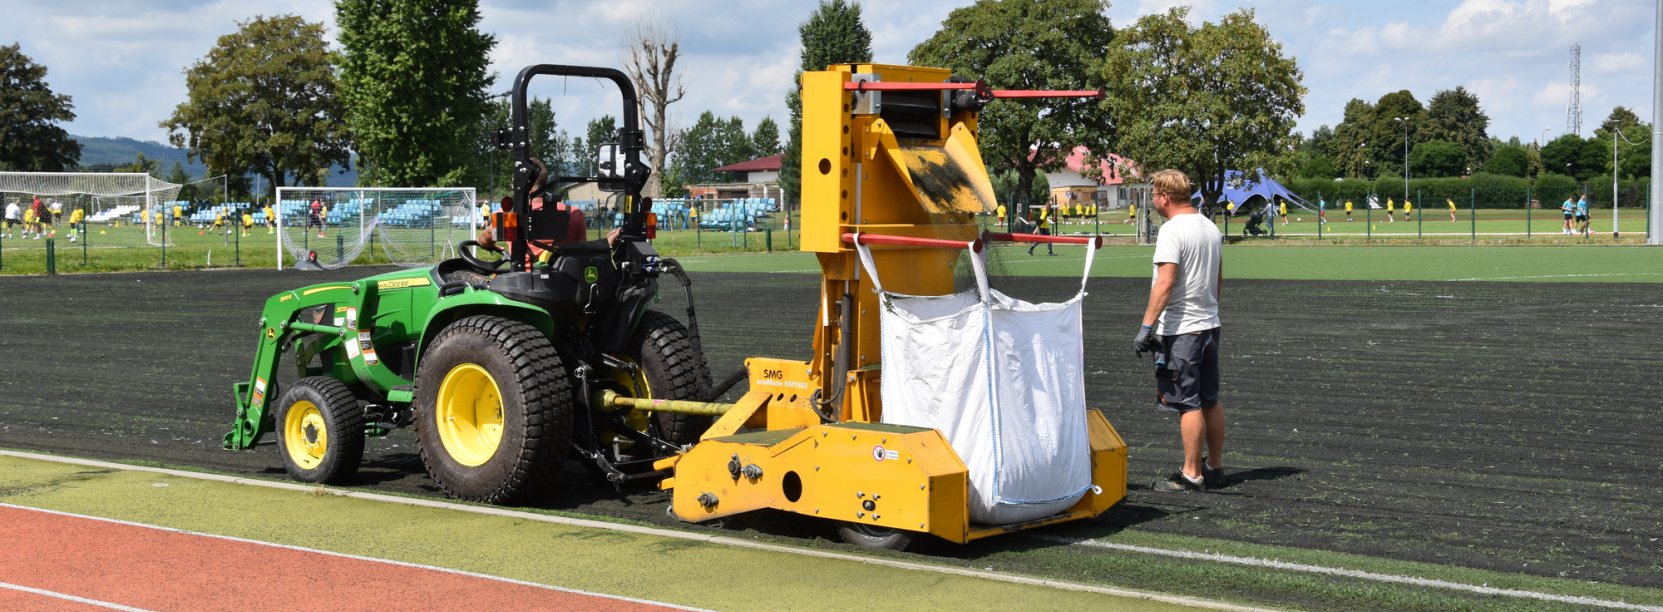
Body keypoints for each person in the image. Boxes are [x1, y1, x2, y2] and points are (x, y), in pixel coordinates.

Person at [1132, 169, 1225, 493]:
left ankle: (1190, 474)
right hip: (1210, 324)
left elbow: (1166, 282)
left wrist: (1146, 326)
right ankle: (1214, 466)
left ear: (1164, 197)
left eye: (1154, 195)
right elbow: (1218, 280)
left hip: (1183, 329)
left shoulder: (1172, 230)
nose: (1154, 200)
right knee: (1211, 399)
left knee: (1188, 402)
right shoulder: (1210, 228)